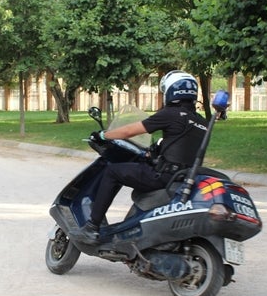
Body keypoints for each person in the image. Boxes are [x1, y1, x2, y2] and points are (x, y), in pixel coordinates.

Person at [74, 70, 209, 245]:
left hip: (163, 178)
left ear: (171, 91)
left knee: (113, 172)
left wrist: (104, 135)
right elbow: (180, 146)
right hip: (182, 178)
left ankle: (92, 227)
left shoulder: (171, 114)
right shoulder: (202, 123)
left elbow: (129, 131)